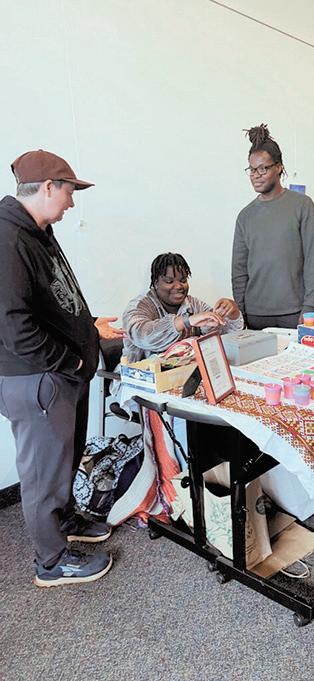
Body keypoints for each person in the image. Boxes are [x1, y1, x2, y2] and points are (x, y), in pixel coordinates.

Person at [0, 150, 123, 587]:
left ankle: (66, 521)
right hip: (38, 378)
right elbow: (15, 328)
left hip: (61, 374)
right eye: (70, 191)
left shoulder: (37, 231)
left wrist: (89, 326)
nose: (72, 202)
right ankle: (51, 562)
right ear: (49, 187)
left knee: (62, 461)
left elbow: (53, 301)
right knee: (42, 474)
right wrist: (72, 360)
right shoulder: (8, 239)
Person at [231, 123, 314, 330]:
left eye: (263, 168)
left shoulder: (302, 205)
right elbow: (239, 269)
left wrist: (310, 307)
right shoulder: (245, 216)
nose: (256, 175)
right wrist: (241, 313)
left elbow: (313, 260)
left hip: (295, 312)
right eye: (252, 169)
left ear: (279, 167)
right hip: (255, 314)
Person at [123, 252, 244, 362]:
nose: (178, 286)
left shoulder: (194, 304)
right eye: (169, 281)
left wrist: (232, 314)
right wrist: (186, 321)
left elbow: (226, 339)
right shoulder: (139, 306)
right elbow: (143, 336)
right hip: (136, 376)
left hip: (185, 374)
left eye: (183, 280)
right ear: (155, 283)